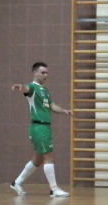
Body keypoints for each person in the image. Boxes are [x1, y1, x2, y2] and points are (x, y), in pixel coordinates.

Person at [11, 62, 73, 197]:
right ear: (35, 73)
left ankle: (17, 182)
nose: (46, 75)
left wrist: (64, 111)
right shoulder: (33, 88)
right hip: (39, 127)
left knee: (37, 159)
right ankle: (54, 189)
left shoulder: (44, 90)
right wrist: (20, 87)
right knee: (49, 156)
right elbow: (26, 89)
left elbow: (51, 105)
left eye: (47, 73)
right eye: (43, 72)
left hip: (44, 127)